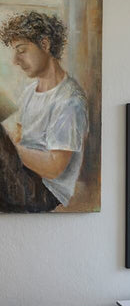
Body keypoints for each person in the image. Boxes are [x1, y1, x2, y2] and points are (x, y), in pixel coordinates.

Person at [0, 11, 88, 212]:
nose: (15, 60)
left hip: (45, 190)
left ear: (45, 44)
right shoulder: (30, 92)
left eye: (22, 50)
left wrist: (9, 148)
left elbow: (54, 169)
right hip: (22, 174)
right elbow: (20, 137)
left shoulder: (70, 101)